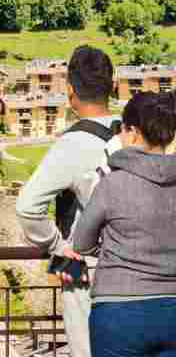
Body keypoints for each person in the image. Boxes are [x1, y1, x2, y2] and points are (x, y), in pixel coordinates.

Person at [16, 46, 121, 357]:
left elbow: (27, 207)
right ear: (112, 87)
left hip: (88, 272)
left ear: (70, 90)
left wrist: (59, 247)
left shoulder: (72, 144)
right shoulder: (134, 131)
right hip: (141, 270)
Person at [72, 92, 176, 357]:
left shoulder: (112, 184)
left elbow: (81, 243)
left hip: (119, 309)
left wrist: (110, 246)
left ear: (132, 132)